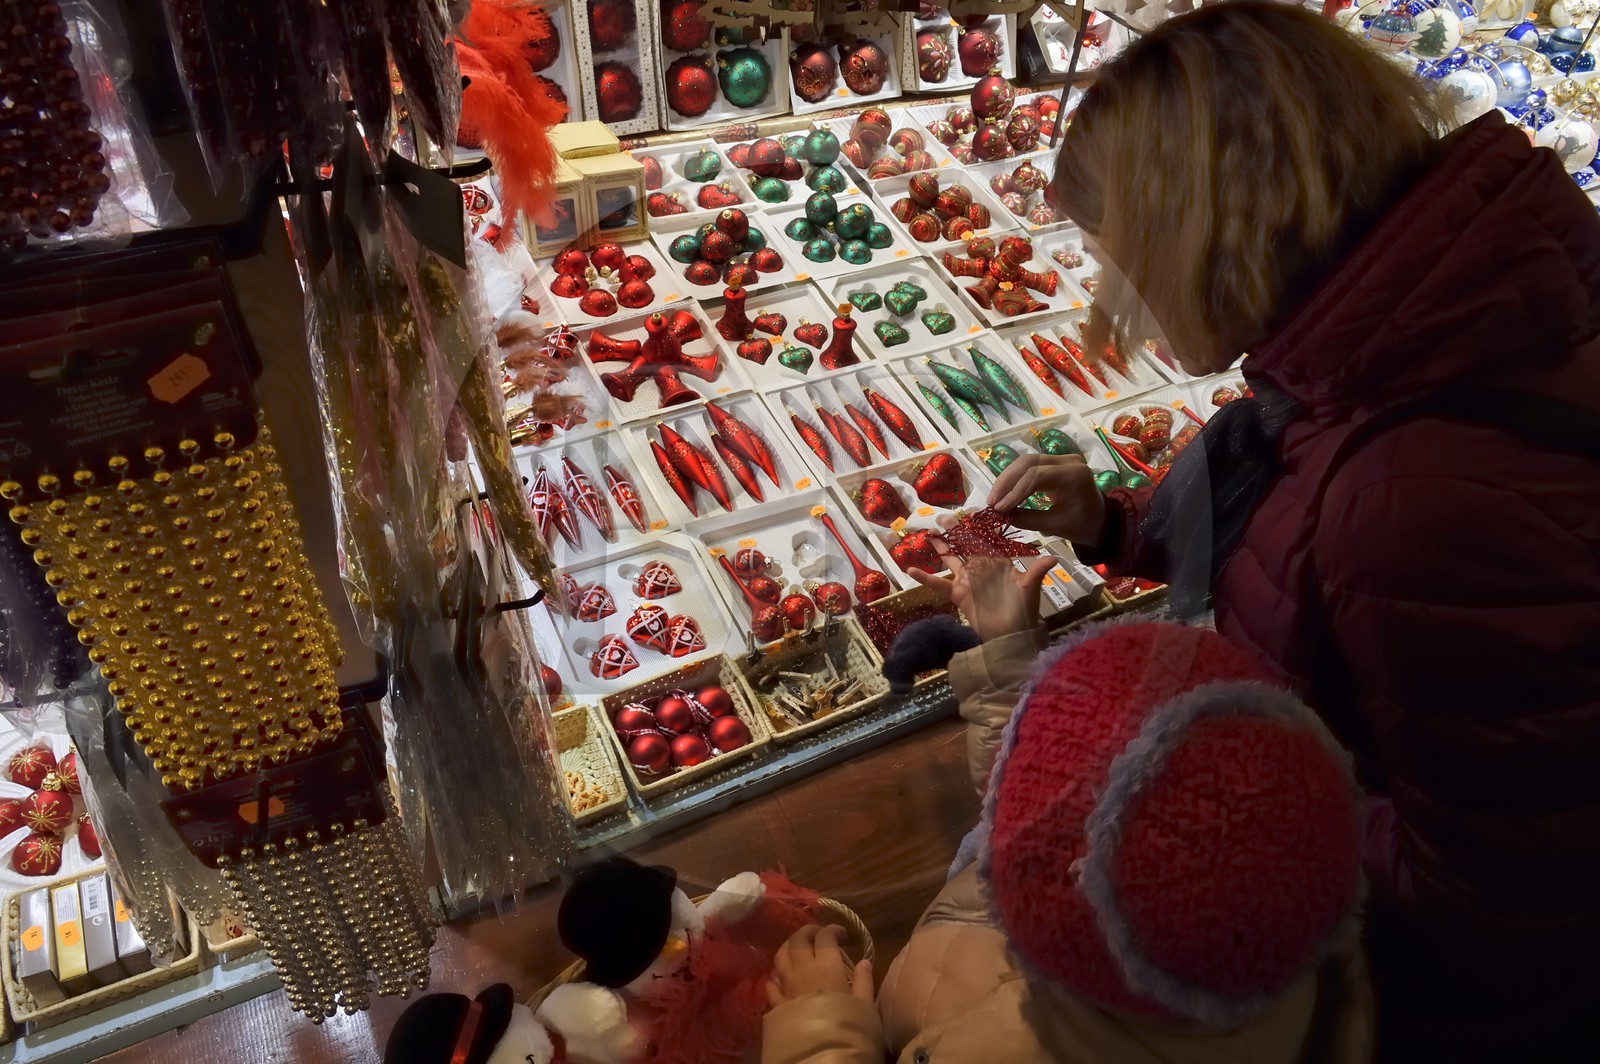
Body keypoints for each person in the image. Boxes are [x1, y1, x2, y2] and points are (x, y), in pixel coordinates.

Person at [982, 4, 1600, 1059]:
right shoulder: (1405, 342)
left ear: (1206, 233)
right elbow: (1312, 550)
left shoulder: (1420, 497)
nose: (1111, 294)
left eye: (1116, 253)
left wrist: (1212, 785)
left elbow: (1496, 905)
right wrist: (1118, 525)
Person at [761, 594, 1372, 1064]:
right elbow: (1079, 794)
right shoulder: (1270, 919)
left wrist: (821, 1036)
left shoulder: (1002, 1045)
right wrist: (1006, 671)